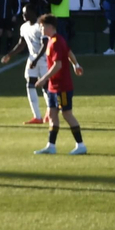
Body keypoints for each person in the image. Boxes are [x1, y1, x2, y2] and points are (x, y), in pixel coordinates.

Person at [33, 14, 86, 155]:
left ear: (50, 27)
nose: (41, 28)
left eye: (42, 26)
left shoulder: (56, 41)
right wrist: (76, 64)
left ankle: (80, 145)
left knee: (67, 114)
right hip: (53, 86)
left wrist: (44, 78)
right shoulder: (52, 40)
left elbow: (58, 65)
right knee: (52, 114)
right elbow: (69, 53)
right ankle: (51, 146)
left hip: (61, 86)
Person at [0, 4, 50, 124]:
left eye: (25, 13)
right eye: (23, 13)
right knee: (30, 84)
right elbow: (21, 44)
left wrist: (36, 60)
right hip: (32, 58)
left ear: (32, 12)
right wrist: (9, 55)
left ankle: (50, 112)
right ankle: (37, 116)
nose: (23, 15)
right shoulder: (24, 27)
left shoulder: (40, 26)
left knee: (45, 86)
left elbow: (45, 45)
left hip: (43, 60)